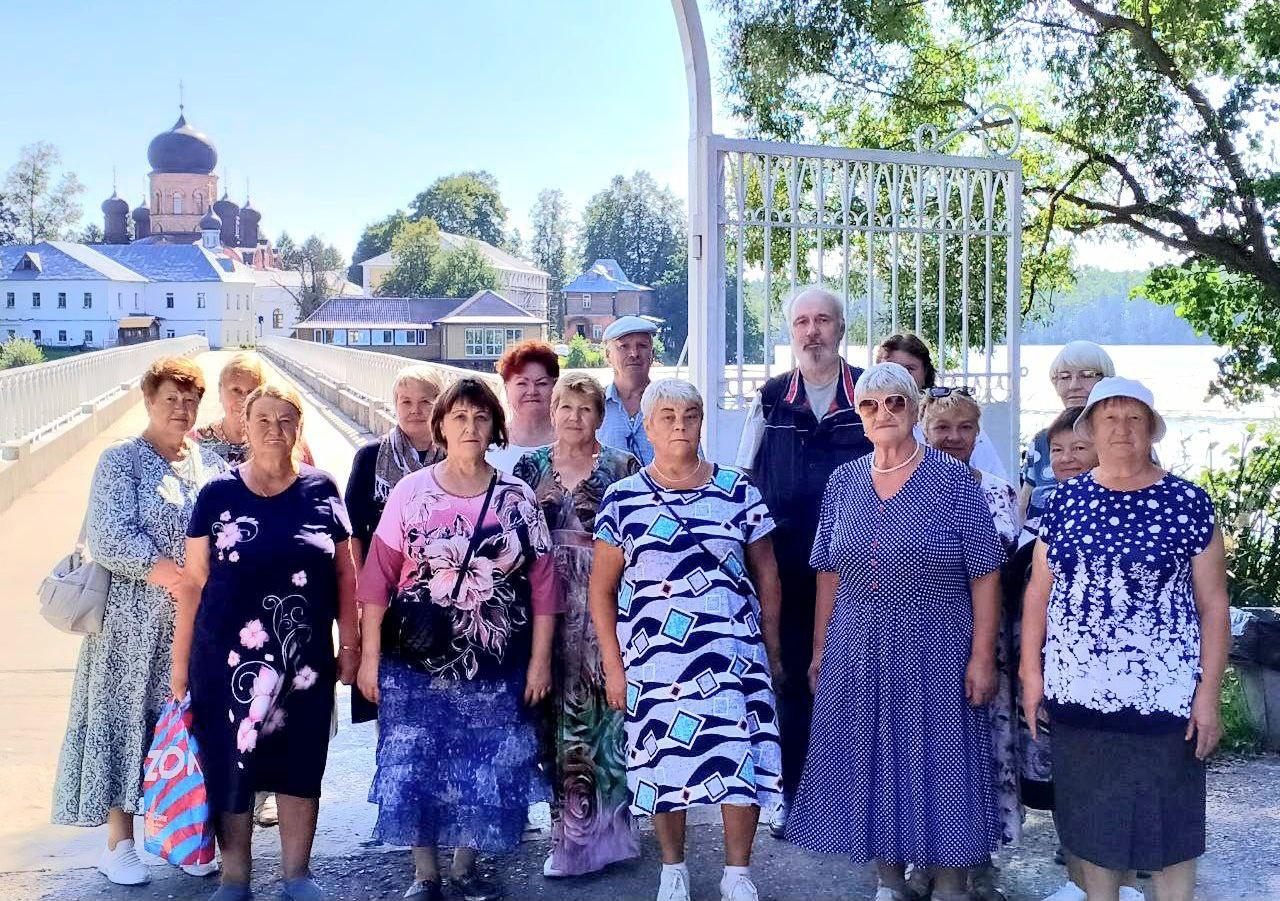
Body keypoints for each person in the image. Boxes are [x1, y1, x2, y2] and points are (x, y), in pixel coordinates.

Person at [786, 362, 1007, 901]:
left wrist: (982, 657)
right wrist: (819, 651)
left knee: (942, 761)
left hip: (938, 644)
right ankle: (889, 879)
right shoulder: (844, 482)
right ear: (859, 416)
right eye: (870, 404)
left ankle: (950, 880)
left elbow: (985, 574)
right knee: (871, 760)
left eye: (895, 402)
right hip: (857, 643)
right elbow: (828, 571)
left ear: (914, 409)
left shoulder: (954, 480)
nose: (882, 413)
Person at [1021, 378, 1230, 901]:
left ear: (1152, 430)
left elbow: (1213, 605)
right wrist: (1030, 675)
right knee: (1094, 831)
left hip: (1167, 699)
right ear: (1090, 430)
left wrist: (1208, 695)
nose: (1121, 429)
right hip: (1078, 698)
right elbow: (1038, 595)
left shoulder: (1188, 502)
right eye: (1109, 418)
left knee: (1172, 831)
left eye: (1134, 418)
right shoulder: (1064, 501)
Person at [356, 377, 561, 901]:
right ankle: (425, 875)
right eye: (459, 417)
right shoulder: (410, 492)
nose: (470, 427)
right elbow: (376, 579)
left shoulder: (516, 497)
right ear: (441, 426)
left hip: (495, 662)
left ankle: (466, 868)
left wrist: (540, 661)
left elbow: (544, 587)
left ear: (495, 428)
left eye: (481, 417)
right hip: (414, 662)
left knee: (486, 762)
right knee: (416, 764)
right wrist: (368, 657)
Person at [590, 378, 784, 901]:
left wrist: (771, 649)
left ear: (702, 422)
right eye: (668, 416)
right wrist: (614, 666)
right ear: (648, 428)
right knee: (663, 763)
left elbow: (767, 575)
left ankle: (737, 873)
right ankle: (672, 869)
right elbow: (601, 591)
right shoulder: (623, 498)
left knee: (739, 759)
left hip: (733, 654)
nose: (680, 425)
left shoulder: (737, 490)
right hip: (655, 661)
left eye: (691, 415)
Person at [174, 384, 359, 901]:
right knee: (230, 762)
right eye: (263, 420)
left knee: (300, 761)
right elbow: (194, 582)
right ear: (244, 425)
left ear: (299, 428)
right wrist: (179, 665)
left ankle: (297, 874)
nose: (274, 430)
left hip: (304, 661)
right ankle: (235, 877)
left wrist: (351, 644)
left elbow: (347, 575)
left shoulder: (323, 488)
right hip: (225, 659)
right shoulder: (216, 494)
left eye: (285, 420)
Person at [52, 356, 227, 886]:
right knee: (125, 722)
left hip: (193, 623)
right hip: (129, 625)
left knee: (186, 728)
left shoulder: (208, 463)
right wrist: (179, 579)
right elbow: (109, 536)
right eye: (170, 399)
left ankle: (184, 835)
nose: (181, 409)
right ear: (148, 402)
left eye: (190, 400)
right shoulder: (120, 461)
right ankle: (119, 844)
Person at [734, 285, 871, 838]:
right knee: (790, 678)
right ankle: (793, 796)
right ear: (791, 332)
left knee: (856, 680)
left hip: (860, 566)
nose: (812, 332)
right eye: (801, 322)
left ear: (841, 329)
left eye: (823, 321)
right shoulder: (770, 399)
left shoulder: (869, 393)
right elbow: (744, 479)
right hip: (787, 566)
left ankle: (856, 802)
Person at [512, 372, 641, 878]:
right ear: (553, 412)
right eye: (565, 407)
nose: (574, 417)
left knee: (603, 721)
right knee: (550, 722)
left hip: (602, 604)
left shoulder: (622, 466)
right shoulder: (529, 467)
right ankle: (566, 840)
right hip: (545, 605)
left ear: (600, 417)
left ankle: (611, 837)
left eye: (586, 409)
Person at [920, 386, 1022, 901]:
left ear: (979, 433)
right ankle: (920, 855)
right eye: (942, 427)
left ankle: (975, 859)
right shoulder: (908, 489)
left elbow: (1012, 564)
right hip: (926, 636)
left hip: (985, 638)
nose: (954, 437)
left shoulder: (999, 492)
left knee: (982, 749)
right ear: (924, 431)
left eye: (965, 428)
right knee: (926, 749)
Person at [345, 365, 446, 724]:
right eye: (406, 401)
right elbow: (353, 533)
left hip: (443, 598)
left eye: (425, 401)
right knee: (388, 698)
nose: (415, 410)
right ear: (394, 405)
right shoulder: (371, 458)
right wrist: (361, 596)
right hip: (385, 599)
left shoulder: (458, 458)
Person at [874, 333, 1009, 480]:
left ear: (925, 372)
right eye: (892, 369)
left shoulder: (958, 419)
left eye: (909, 369)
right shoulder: (870, 423)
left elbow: (995, 479)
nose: (902, 376)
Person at [1019, 341, 1115, 531]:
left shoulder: (1124, 439)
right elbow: (1023, 505)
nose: (1073, 386)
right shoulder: (1042, 440)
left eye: (1086, 375)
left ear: (1106, 380)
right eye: (1064, 377)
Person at [190, 352, 314, 466]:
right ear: (220, 390)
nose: (244, 399)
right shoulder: (195, 442)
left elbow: (311, 479)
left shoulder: (289, 441)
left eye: (252, 392)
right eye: (236, 390)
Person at [487, 340, 558, 473]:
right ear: (506, 387)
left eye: (541, 383)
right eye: (522, 383)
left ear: (555, 387)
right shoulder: (488, 442)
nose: (532, 391)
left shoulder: (572, 440)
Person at [596, 316, 658, 464]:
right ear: (608, 355)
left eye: (642, 346)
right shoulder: (593, 405)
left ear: (652, 353)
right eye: (624, 346)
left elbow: (693, 464)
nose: (634, 354)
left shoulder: (671, 405)